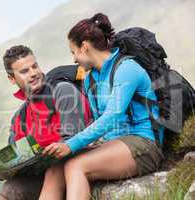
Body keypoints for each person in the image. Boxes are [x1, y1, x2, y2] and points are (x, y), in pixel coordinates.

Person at [41, 13, 165, 200]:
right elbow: (98, 121)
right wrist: (72, 147)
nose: (74, 60)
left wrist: (71, 144)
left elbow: (111, 116)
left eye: (73, 52)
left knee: (76, 166)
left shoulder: (127, 69)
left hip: (143, 143)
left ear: (84, 47)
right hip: (112, 143)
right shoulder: (91, 77)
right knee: (56, 167)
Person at [0, 45, 92, 200]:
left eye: (34, 66)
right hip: (45, 172)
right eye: (25, 71)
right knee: (11, 189)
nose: (33, 73)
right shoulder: (20, 117)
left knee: (54, 171)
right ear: (12, 79)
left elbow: (74, 140)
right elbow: (16, 159)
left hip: (77, 161)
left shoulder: (63, 91)